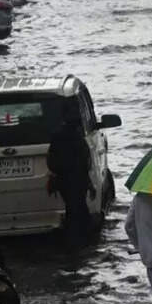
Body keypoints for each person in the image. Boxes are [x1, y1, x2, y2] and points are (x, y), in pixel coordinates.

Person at [47, 105, 96, 247]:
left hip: (64, 180)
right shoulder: (78, 139)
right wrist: (89, 184)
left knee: (72, 208)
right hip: (77, 179)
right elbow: (85, 163)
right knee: (79, 209)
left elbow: (51, 160)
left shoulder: (57, 137)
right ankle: (81, 240)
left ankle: (74, 240)